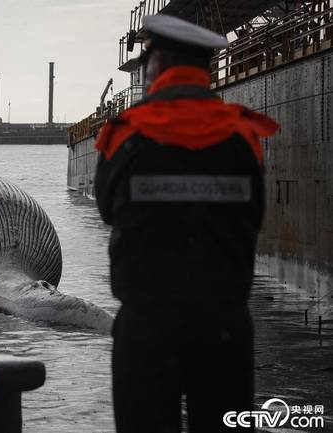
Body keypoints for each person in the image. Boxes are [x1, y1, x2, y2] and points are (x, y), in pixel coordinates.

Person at [94, 14, 279, 432]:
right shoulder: (243, 133)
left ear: (156, 64)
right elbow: (253, 216)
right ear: (206, 68)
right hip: (224, 326)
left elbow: (107, 210)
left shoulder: (125, 132)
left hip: (147, 325)